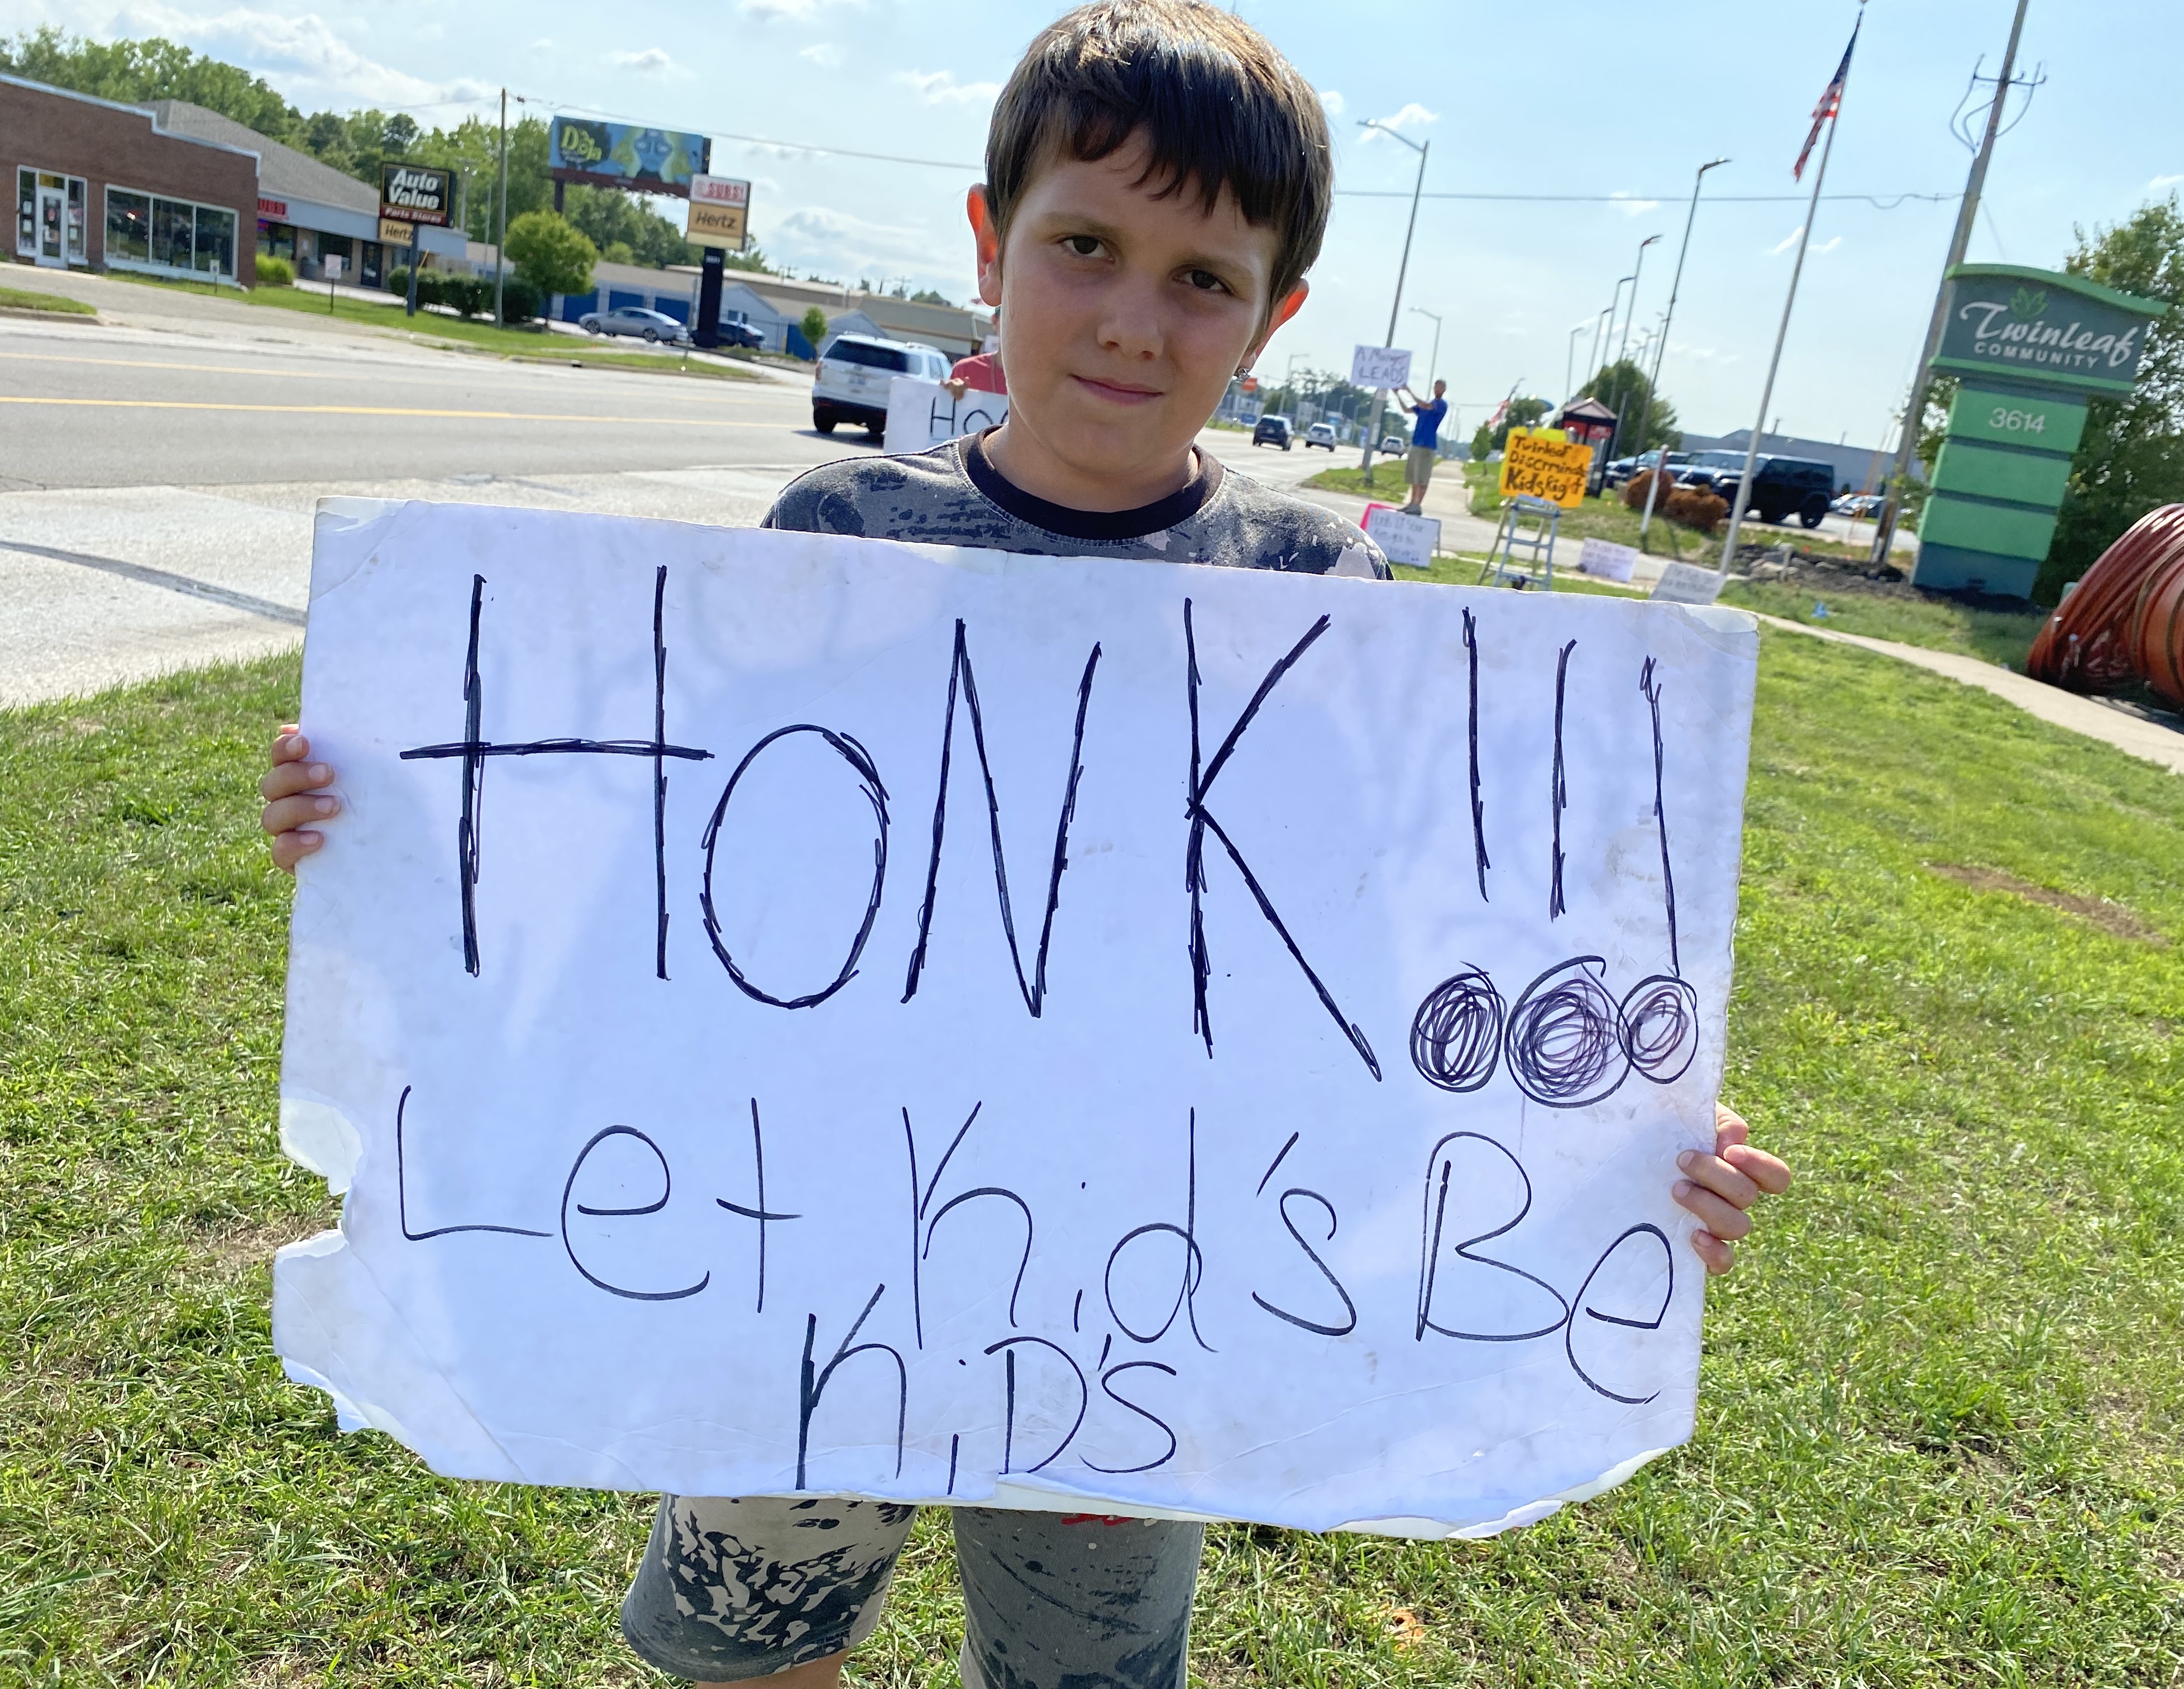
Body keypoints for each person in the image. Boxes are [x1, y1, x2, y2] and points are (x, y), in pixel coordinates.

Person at [259, 6, 1791, 1686]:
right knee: (744, 1657)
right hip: (800, 1246)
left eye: (1204, 279)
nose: (1135, 320)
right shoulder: (838, 535)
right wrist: (395, 825)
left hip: (1137, 1289)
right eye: (1085, 247)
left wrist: (1618, 1120)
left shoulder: (1313, 595)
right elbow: (665, 870)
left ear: (1272, 320)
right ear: (992, 244)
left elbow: (1397, 949)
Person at [1396, 377, 1448, 514]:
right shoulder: (1426, 405)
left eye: (1440, 386)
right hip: (1416, 443)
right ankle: (1412, 503)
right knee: (1414, 477)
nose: (1437, 388)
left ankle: (1418, 504)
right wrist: (1397, 395)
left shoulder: (1440, 404)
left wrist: (1408, 391)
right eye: (1436, 386)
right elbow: (1407, 410)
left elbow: (1425, 405)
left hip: (1427, 445)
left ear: (1444, 390)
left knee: (1422, 477)